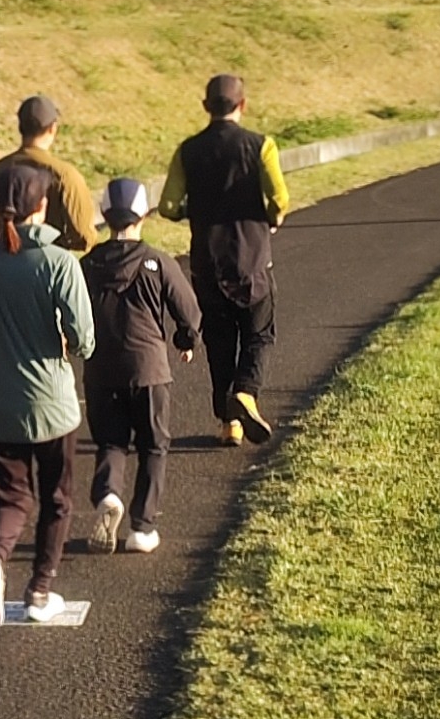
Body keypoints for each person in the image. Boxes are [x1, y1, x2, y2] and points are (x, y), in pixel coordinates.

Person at [0, 162, 97, 628]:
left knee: (11, 498)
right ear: (43, 205)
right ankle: (40, 590)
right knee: (57, 499)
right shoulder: (58, 261)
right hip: (52, 404)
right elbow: (85, 339)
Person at [158, 74, 290, 446]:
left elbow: (168, 206)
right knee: (259, 334)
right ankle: (246, 392)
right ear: (242, 105)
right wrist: (271, 218)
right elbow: (279, 200)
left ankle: (229, 423)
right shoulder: (261, 146)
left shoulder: (188, 151)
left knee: (219, 343)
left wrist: (193, 210)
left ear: (206, 107)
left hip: (207, 264)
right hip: (252, 260)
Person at [81, 178, 202, 555]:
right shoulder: (159, 262)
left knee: (111, 441)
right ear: (144, 215)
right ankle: (142, 528)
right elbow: (189, 312)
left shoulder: (87, 265)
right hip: (148, 368)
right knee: (153, 445)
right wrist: (186, 340)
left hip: (100, 368)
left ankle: (108, 493)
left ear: (105, 215)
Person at [0, 96, 100, 252]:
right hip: (46, 264)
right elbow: (84, 237)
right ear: (53, 128)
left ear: (20, 127)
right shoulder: (66, 175)